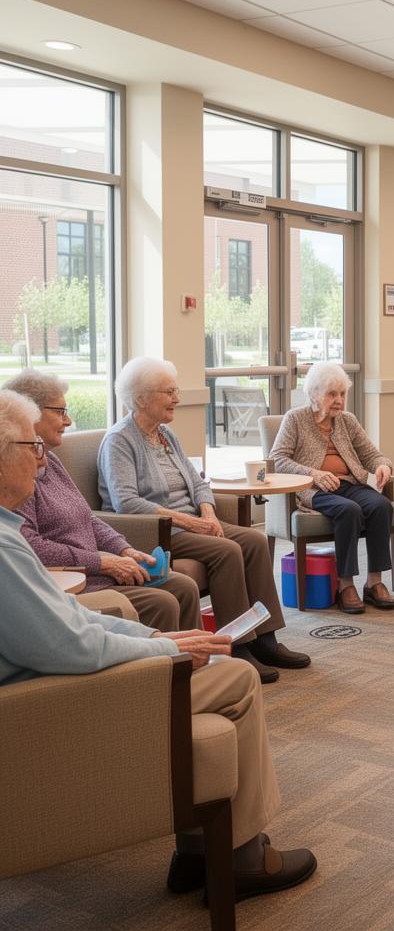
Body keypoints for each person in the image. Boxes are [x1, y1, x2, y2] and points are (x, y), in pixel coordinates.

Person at [0, 389, 316, 900]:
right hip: (49, 703)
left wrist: (154, 637)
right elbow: (71, 647)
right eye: (31, 446)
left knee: (218, 585)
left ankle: (200, 854)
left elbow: (66, 622)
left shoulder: (6, 534)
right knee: (234, 677)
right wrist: (165, 652)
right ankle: (242, 858)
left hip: (53, 679)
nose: (40, 458)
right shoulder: (6, 549)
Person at [98, 358, 309, 684]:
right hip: (156, 532)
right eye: (168, 392)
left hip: (191, 522)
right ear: (140, 398)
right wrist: (190, 521)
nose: (177, 399)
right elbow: (126, 502)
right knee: (226, 550)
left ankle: (266, 638)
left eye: (176, 390)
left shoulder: (165, 435)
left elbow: (198, 483)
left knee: (253, 540)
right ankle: (237, 646)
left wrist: (207, 511)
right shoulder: (120, 441)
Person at [3, 370, 200, 632]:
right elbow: (32, 546)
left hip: (99, 571)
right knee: (162, 602)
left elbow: (88, 518)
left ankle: (197, 660)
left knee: (184, 586)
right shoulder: (16, 477)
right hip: (81, 581)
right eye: (60, 412)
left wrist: (123, 550)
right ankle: (167, 666)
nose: (69, 420)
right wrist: (102, 562)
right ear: (30, 414)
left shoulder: (53, 461)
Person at [269, 361, 394, 614]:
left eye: (342, 394)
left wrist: (384, 466)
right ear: (314, 394)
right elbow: (277, 459)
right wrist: (313, 474)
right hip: (313, 490)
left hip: (349, 483)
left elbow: (373, 455)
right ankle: (345, 584)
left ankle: (374, 582)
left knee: (381, 505)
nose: (339, 400)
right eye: (331, 394)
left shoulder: (347, 421)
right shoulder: (295, 419)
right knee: (349, 510)